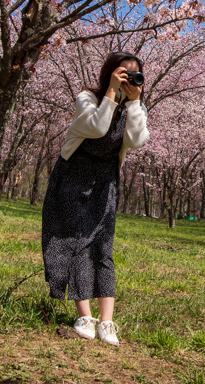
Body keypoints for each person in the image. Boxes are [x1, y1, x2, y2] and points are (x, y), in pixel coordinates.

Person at [41, 51, 149, 346]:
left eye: (133, 74)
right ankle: (84, 315)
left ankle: (107, 321)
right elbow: (97, 127)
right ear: (109, 73)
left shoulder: (133, 108)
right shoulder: (87, 98)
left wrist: (135, 101)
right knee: (77, 241)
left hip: (105, 181)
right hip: (73, 177)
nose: (128, 78)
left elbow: (138, 141)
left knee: (103, 244)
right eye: (122, 72)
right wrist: (112, 93)